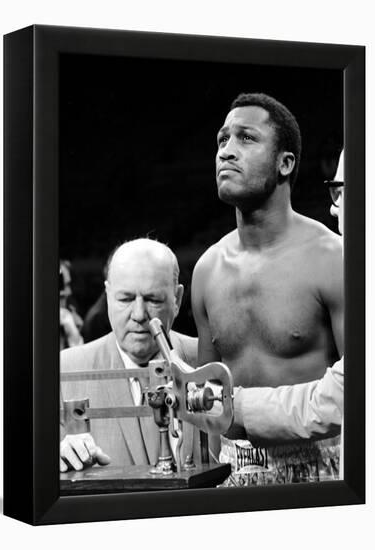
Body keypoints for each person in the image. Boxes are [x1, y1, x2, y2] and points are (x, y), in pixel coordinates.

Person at [191, 93, 344, 485]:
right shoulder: (207, 269)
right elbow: (209, 401)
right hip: (230, 474)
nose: (226, 151)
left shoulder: (332, 258)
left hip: (324, 472)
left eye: (246, 138)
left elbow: (359, 393)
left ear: (285, 162)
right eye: (222, 140)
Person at [60, 238, 198, 472]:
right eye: (125, 299)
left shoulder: (208, 362)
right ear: (107, 294)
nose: (139, 314)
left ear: (178, 299)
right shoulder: (65, 370)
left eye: (153, 299)